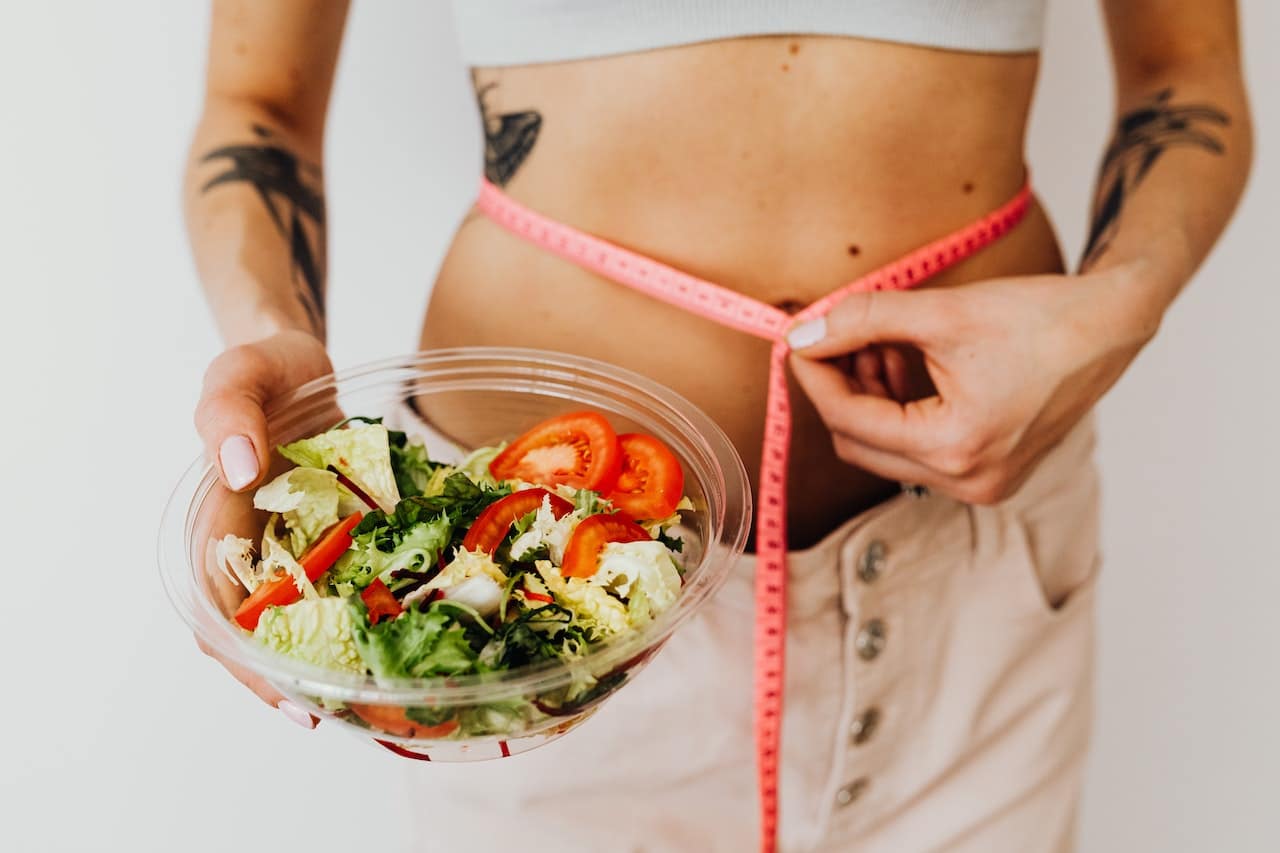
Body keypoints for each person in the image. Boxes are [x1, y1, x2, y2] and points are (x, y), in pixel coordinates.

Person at [183, 2, 1252, 850]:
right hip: (521, 617)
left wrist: (1117, 305)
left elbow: (1182, 77)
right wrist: (280, 363)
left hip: (973, 584)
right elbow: (258, 105)